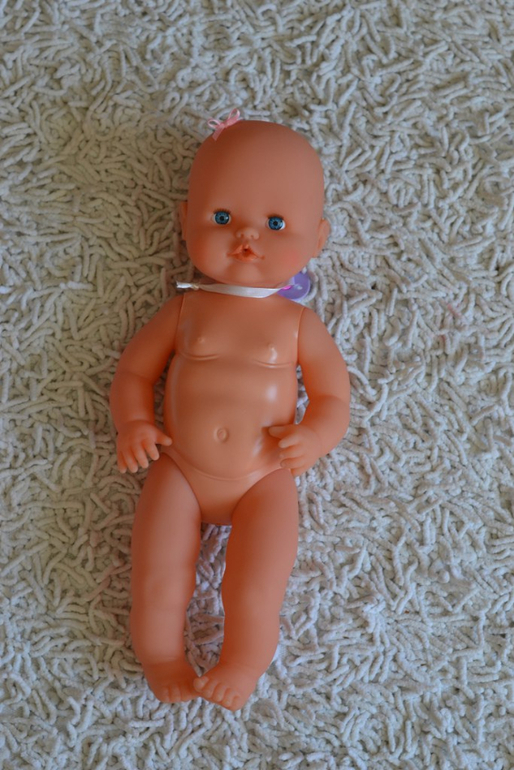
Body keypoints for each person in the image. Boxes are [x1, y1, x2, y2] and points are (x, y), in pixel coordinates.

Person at [110, 115, 350, 711]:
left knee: (253, 589)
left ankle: (242, 664)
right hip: (180, 468)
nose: (246, 236)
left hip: (265, 478)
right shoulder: (185, 310)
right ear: (185, 219)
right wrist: (134, 423)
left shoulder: (298, 323)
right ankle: (161, 658)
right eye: (221, 218)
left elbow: (333, 399)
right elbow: (135, 374)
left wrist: (314, 437)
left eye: (276, 224)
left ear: (318, 238)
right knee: (159, 577)